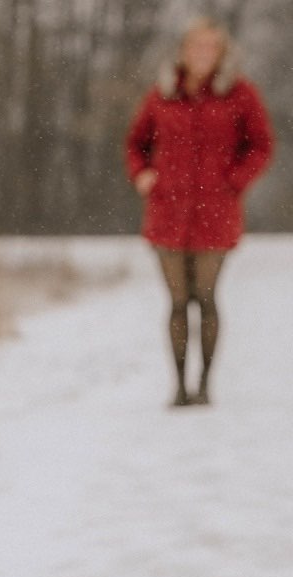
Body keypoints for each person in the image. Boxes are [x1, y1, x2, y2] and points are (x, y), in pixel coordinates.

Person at [125, 17, 273, 406]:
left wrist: (235, 181)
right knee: (176, 302)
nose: (203, 54)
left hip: (216, 214)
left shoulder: (240, 94)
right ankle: (179, 385)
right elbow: (135, 143)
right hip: (167, 213)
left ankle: (205, 384)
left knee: (205, 299)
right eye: (196, 46)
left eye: (211, 47)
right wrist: (142, 175)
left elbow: (260, 145)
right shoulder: (162, 94)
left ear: (222, 53)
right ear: (184, 51)